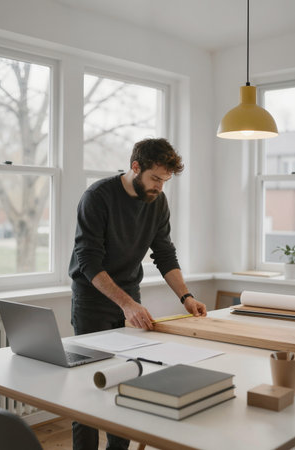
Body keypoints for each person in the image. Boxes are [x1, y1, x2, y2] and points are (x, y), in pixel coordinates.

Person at [69, 137, 207, 450]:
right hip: (92, 299)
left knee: (128, 383)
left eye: (166, 180)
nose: (160, 186)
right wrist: (128, 305)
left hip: (129, 294)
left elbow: (164, 253)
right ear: (135, 168)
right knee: (87, 389)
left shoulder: (157, 202)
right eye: (155, 178)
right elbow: (87, 261)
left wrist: (186, 297)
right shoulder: (97, 197)